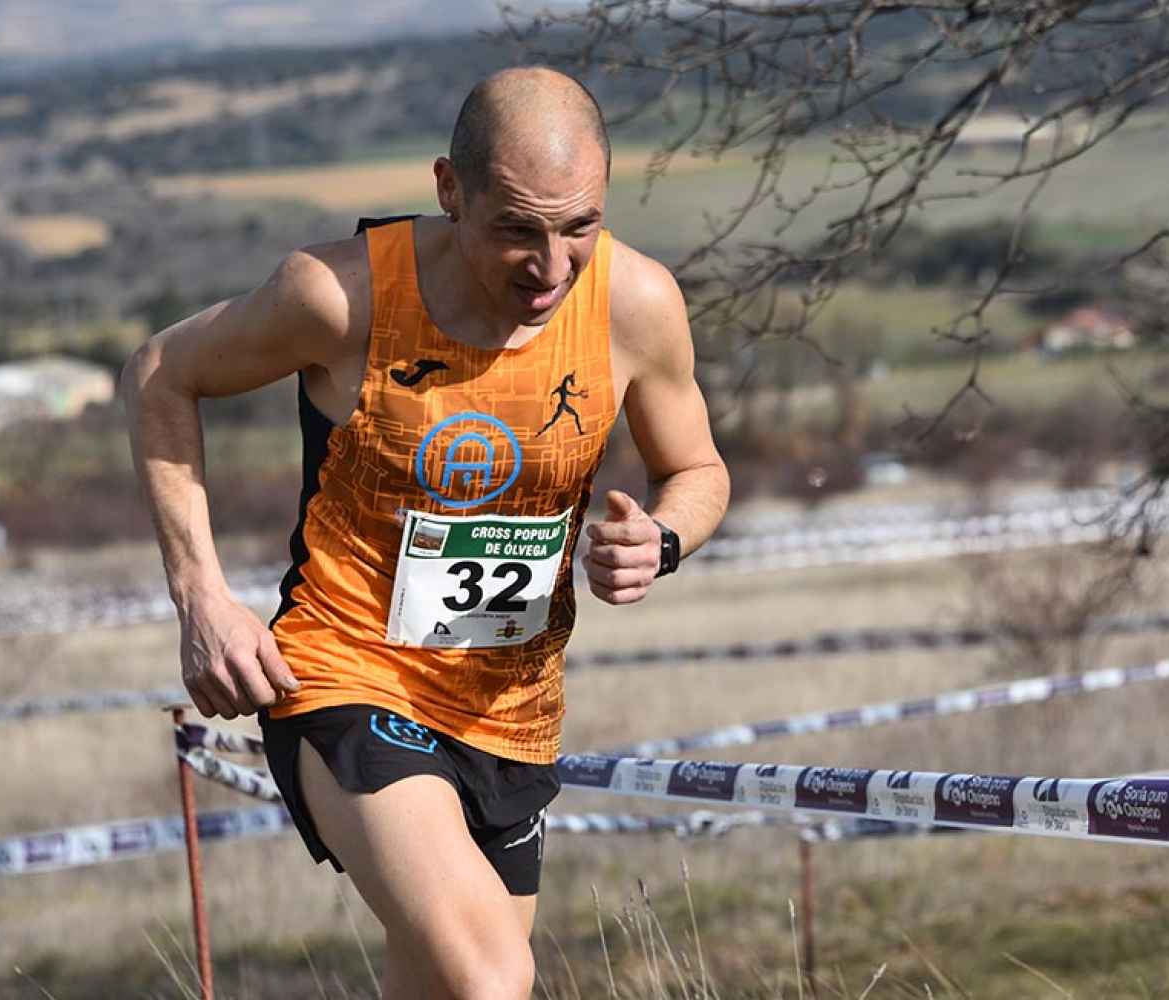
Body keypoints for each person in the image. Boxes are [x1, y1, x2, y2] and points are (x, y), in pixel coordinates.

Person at [122, 66, 729, 999]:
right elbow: (162, 370)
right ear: (450, 190)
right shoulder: (340, 294)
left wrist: (663, 538)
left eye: (579, 226)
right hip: (346, 667)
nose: (552, 266)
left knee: (441, 986)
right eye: (516, 230)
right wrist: (201, 595)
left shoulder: (635, 304)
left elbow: (696, 470)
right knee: (490, 978)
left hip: (511, 707)